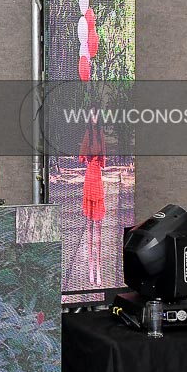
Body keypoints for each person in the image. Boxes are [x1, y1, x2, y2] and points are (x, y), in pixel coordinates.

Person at [79, 114, 107, 286]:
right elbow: (82, 157)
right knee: (89, 227)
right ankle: (91, 269)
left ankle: (98, 270)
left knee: (98, 229)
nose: (94, 117)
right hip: (89, 178)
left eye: (96, 114)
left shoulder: (101, 134)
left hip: (97, 178)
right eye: (91, 114)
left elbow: (103, 159)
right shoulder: (87, 134)